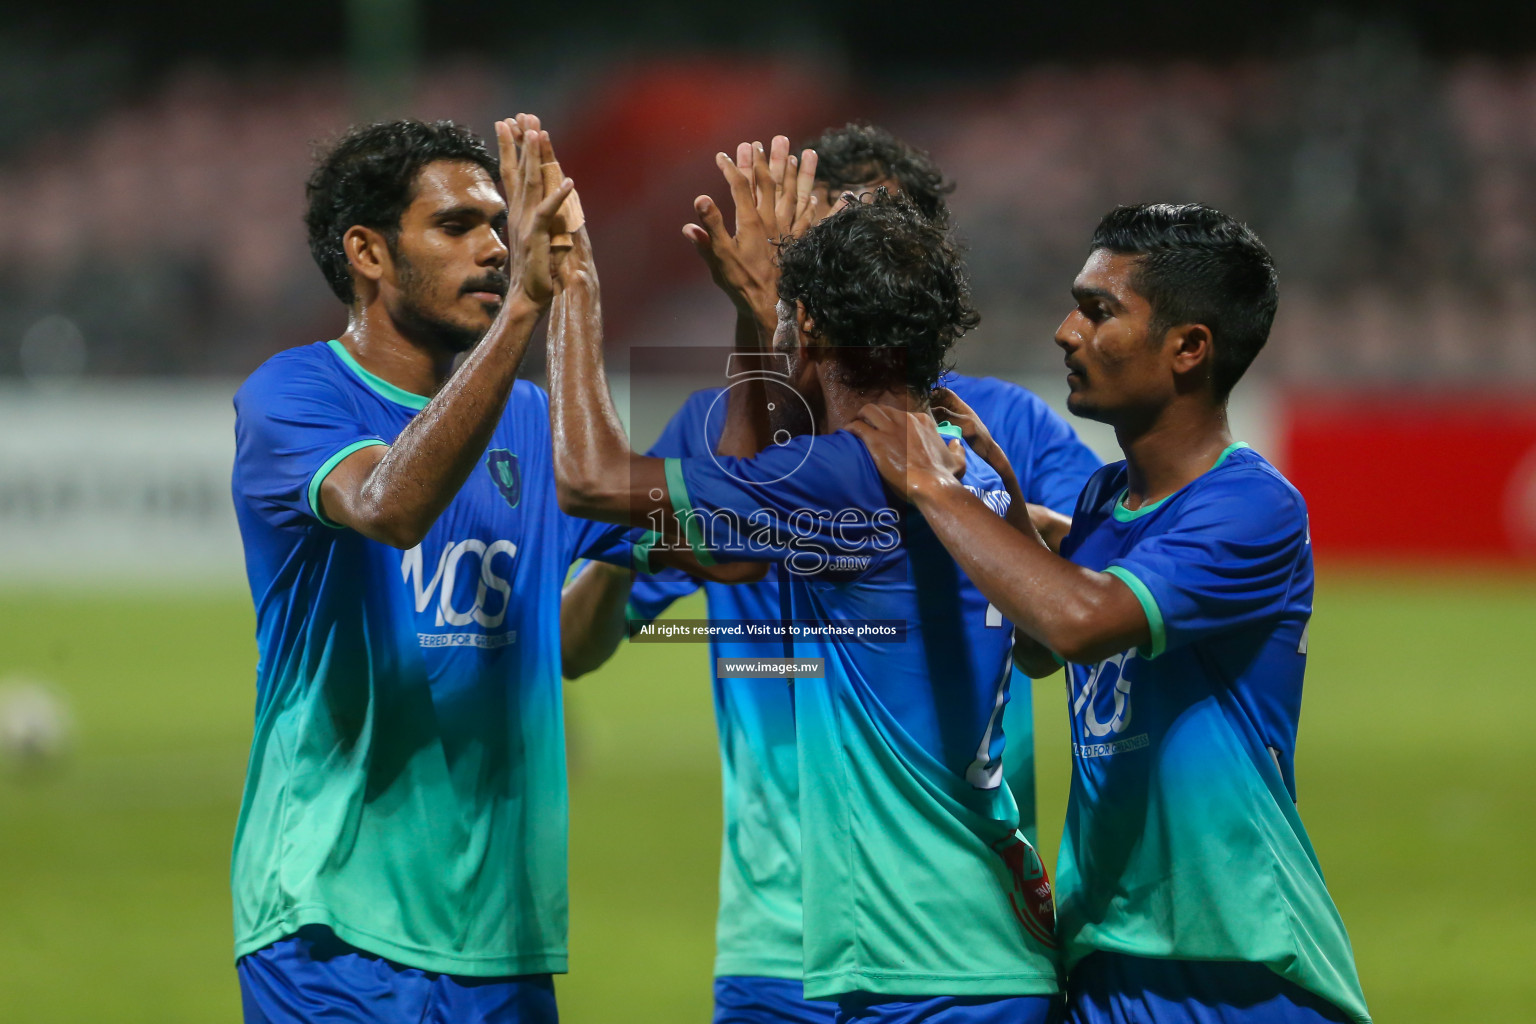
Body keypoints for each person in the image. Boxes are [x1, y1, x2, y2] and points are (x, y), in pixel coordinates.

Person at [560, 123, 1100, 1024]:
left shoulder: (995, 428)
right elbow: (587, 633)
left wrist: (573, 283)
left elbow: (608, 487)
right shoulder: (975, 439)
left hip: (923, 930)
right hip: (797, 931)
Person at [228, 116, 721, 1024]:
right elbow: (390, 507)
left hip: (504, 942)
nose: (496, 248)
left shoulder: (531, 420)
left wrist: (596, 297)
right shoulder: (293, 394)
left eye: (503, 224)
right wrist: (530, 306)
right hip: (329, 927)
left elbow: (701, 554)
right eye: (457, 227)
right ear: (368, 252)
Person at [849, 203, 1371, 1024]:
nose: (1065, 331)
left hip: (1236, 966)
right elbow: (1037, 648)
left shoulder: (1250, 504)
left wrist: (934, 488)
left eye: (1098, 311)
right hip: (1103, 955)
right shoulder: (1101, 500)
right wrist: (1004, 496)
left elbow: (1081, 620)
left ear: (1189, 347)